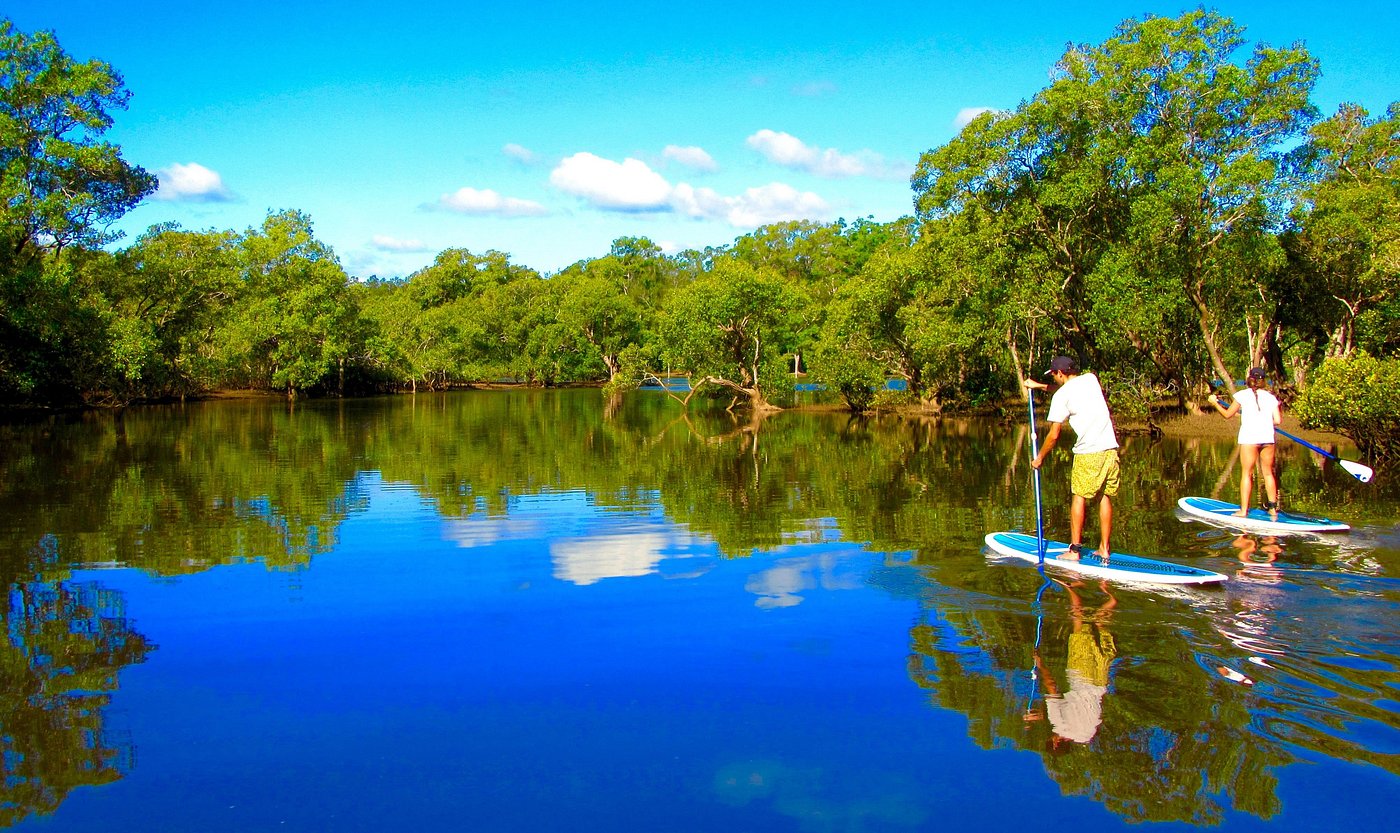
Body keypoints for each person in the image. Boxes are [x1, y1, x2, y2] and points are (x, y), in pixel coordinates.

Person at [1024, 356, 1120, 561]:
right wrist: (1038, 386)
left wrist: (1039, 458)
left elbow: (1054, 435)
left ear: (1060, 373)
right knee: (1104, 496)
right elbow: (1065, 390)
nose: (1053, 379)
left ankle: (1074, 551)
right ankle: (1104, 548)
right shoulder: (1091, 380)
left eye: (1053, 375)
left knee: (1079, 497)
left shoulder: (1061, 397)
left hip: (1088, 453)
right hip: (1110, 449)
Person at [1209, 367, 1282, 518]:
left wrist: (1215, 403)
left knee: (1247, 474)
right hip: (1267, 438)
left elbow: (1228, 414)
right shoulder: (1271, 397)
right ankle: (1273, 509)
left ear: (1250, 379)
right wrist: (1263, 421)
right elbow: (1277, 420)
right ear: (1263, 381)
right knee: (1268, 473)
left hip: (1250, 439)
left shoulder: (1242, 395)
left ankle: (1243, 511)